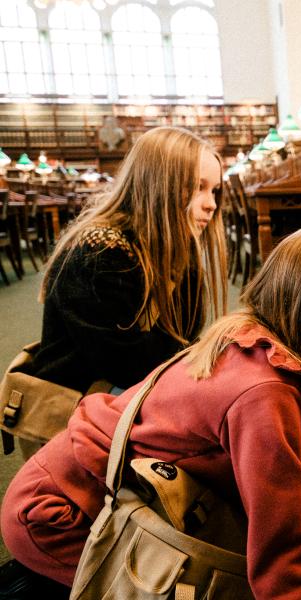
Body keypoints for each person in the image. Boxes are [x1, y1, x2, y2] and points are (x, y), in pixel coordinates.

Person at [0, 226, 301, 599]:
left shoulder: (262, 339)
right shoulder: (267, 394)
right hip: (58, 515)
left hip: (80, 489)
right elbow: (282, 537)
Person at [21, 126, 228, 422]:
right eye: (197, 187)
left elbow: (184, 337)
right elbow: (128, 365)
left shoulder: (176, 244)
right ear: (158, 184)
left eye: (215, 190)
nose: (211, 203)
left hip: (125, 385)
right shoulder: (100, 251)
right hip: (80, 398)